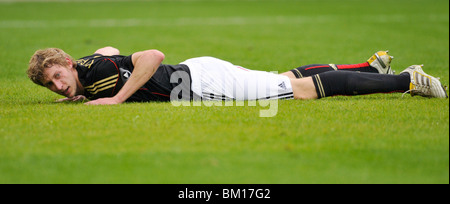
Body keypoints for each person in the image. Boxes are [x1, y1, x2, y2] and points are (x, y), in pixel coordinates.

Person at [26, 47, 448, 105]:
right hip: (200, 74)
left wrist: (118, 99)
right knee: (282, 77)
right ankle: (371, 68)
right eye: (52, 84)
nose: (58, 84)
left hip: (204, 84)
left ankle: (409, 80)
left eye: (58, 75)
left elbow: (151, 56)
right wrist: (75, 93)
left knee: (298, 91)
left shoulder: (95, 73)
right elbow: (108, 50)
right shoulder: (86, 66)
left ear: (65, 61)